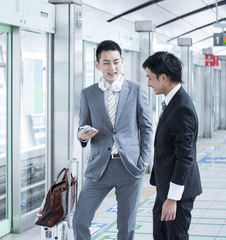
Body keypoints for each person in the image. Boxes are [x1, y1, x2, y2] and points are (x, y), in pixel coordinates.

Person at [73, 40, 153, 240]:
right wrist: (82, 137)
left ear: (122, 61)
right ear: (97, 64)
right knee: (80, 220)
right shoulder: (88, 93)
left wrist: (142, 160)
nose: (112, 68)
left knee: (126, 227)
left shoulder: (136, 90)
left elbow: (147, 127)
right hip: (99, 168)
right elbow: (82, 126)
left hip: (129, 167)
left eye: (116, 62)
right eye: (106, 62)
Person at [142, 51, 202, 240]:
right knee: (160, 235)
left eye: (150, 78)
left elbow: (184, 157)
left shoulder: (182, 108)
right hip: (165, 188)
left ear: (164, 77)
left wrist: (172, 198)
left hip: (177, 193)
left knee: (175, 236)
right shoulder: (172, 103)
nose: (148, 83)